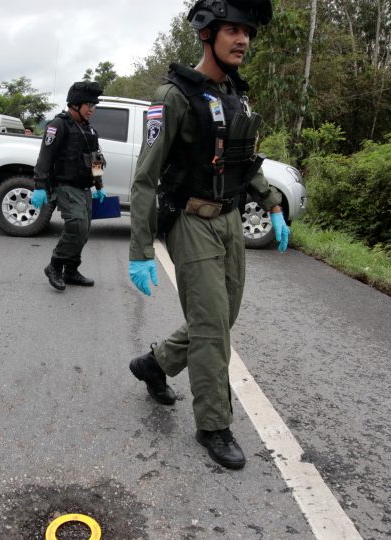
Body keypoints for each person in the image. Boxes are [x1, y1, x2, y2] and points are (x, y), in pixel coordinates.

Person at [126, 0, 290, 470]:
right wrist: (140, 249)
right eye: (233, 30)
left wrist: (273, 204)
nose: (243, 40)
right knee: (213, 329)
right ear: (207, 34)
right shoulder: (173, 96)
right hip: (190, 221)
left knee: (220, 318)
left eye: (248, 33)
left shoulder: (236, 95)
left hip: (229, 220)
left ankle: (154, 364)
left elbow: (244, 161)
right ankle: (214, 425)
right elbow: (144, 178)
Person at [30, 81, 107, 290]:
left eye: (94, 106)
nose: (92, 110)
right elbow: (44, 158)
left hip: (84, 188)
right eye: (88, 105)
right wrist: (39, 186)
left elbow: (95, 159)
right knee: (76, 226)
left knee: (84, 231)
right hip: (65, 185)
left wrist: (99, 185)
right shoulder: (58, 125)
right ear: (75, 105)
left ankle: (71, 270)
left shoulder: (87, 128)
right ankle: (54, 266)